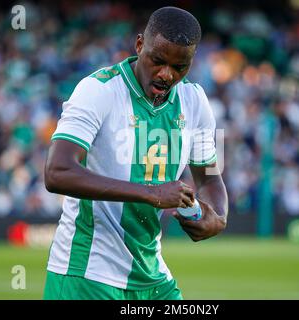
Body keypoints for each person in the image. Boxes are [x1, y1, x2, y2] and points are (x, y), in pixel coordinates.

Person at [43, 6, 228, 300]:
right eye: (158, 61)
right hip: (87, 275)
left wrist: (217, 216)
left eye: (179, 67)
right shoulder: (98, 90)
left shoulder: (195, 101)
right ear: (140, 44)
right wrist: (151, 192)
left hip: (153, 278)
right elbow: (57, 172)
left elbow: (209, 179)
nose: (166, 74)